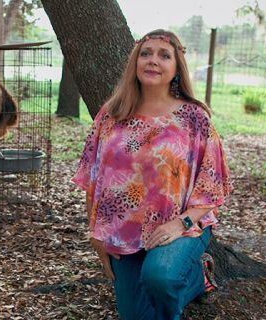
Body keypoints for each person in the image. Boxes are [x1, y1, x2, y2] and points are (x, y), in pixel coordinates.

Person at [71, 29, 233, 320]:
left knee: (161, 278)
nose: (152, 60)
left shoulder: (194, 117)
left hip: (181, 225)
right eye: (145, 53)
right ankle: (185, 289)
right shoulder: (112, 114)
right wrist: (95, 232)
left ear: (176, 68)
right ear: (135, 62)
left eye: (163, 55)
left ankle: (195, 279)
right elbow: (93, 177)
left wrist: (180, 224)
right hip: (122, 230)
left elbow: (212, 184)